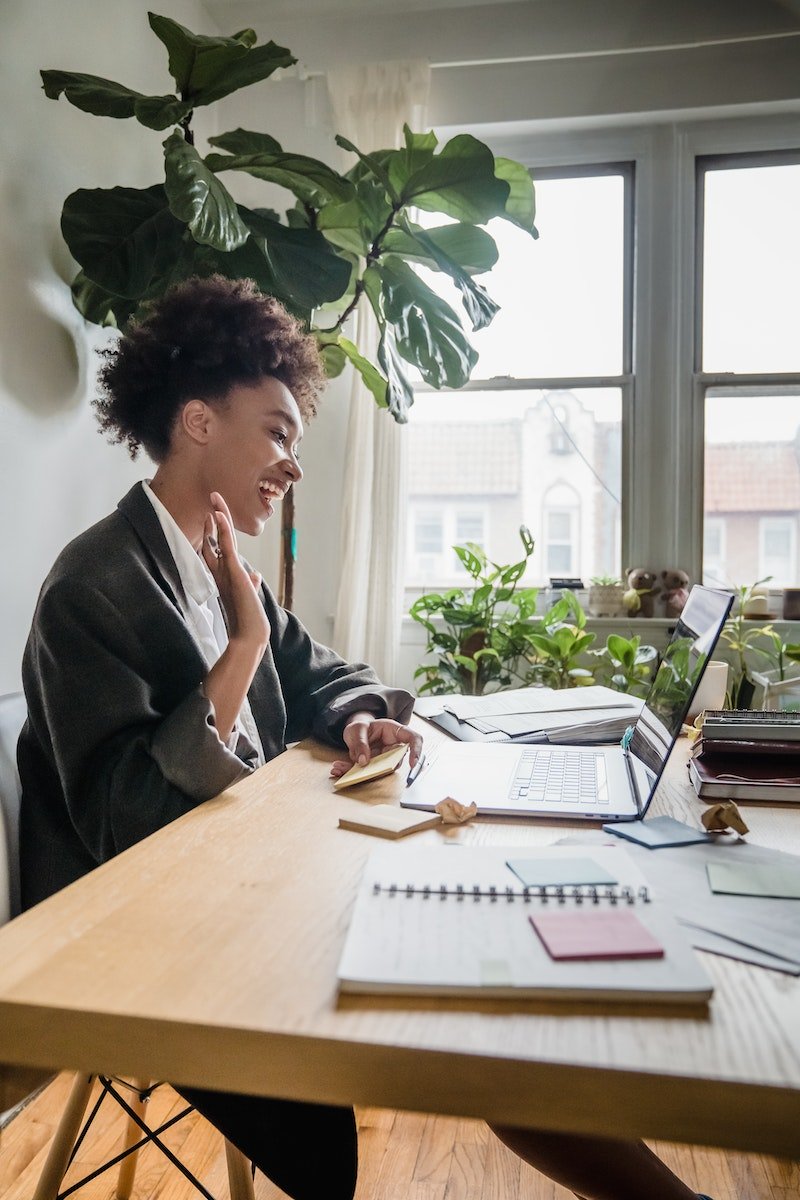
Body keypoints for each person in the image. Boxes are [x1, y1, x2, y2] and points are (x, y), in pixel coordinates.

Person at [17, 276, 713, 1200]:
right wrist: (243, 649)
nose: (291, 466)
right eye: (275, 432)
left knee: (472, 979)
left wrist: (354, 715)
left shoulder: (226, 572)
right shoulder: (92, 587)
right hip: (144, 945)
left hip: (249, 887)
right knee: (440, 1028)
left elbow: (326, 676)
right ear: (196, 424)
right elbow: (123, 829)